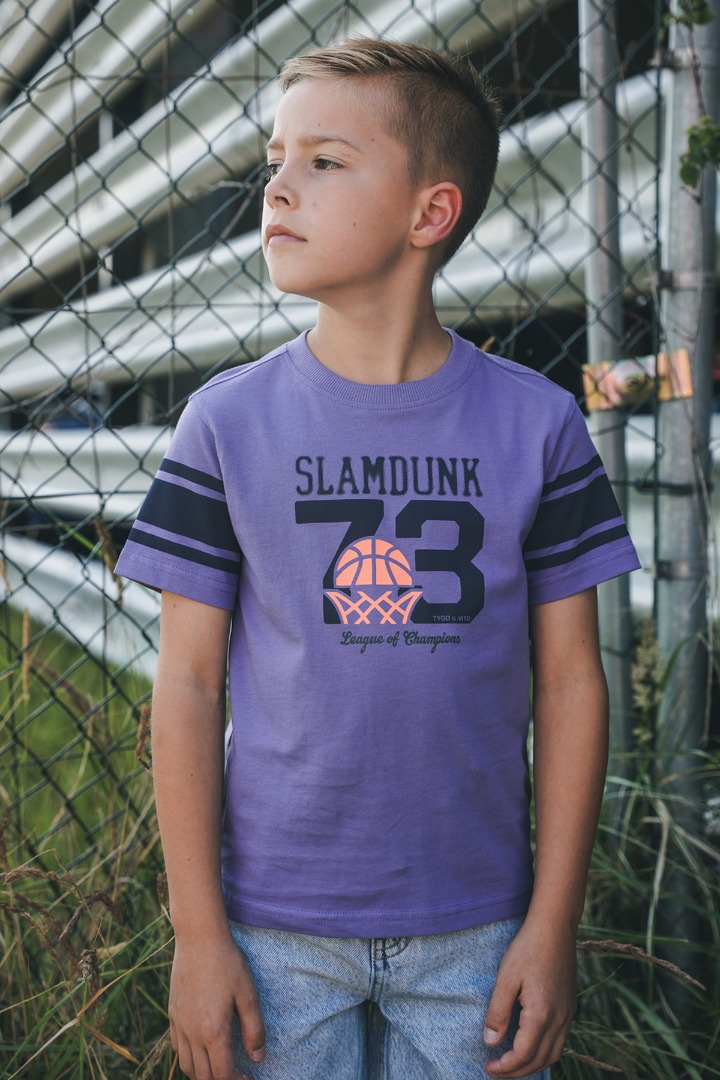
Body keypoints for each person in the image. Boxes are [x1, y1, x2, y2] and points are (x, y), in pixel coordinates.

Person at [116, 37, 640, 1080]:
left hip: (478, 930)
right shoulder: (224, 424)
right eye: (276, 159)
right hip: (272, 931)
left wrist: (553, 925)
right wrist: (198, 933)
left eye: (323, 161)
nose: (277, 187)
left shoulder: (539, 426)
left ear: (429, 213)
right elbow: (188, 680)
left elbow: (573, 682)